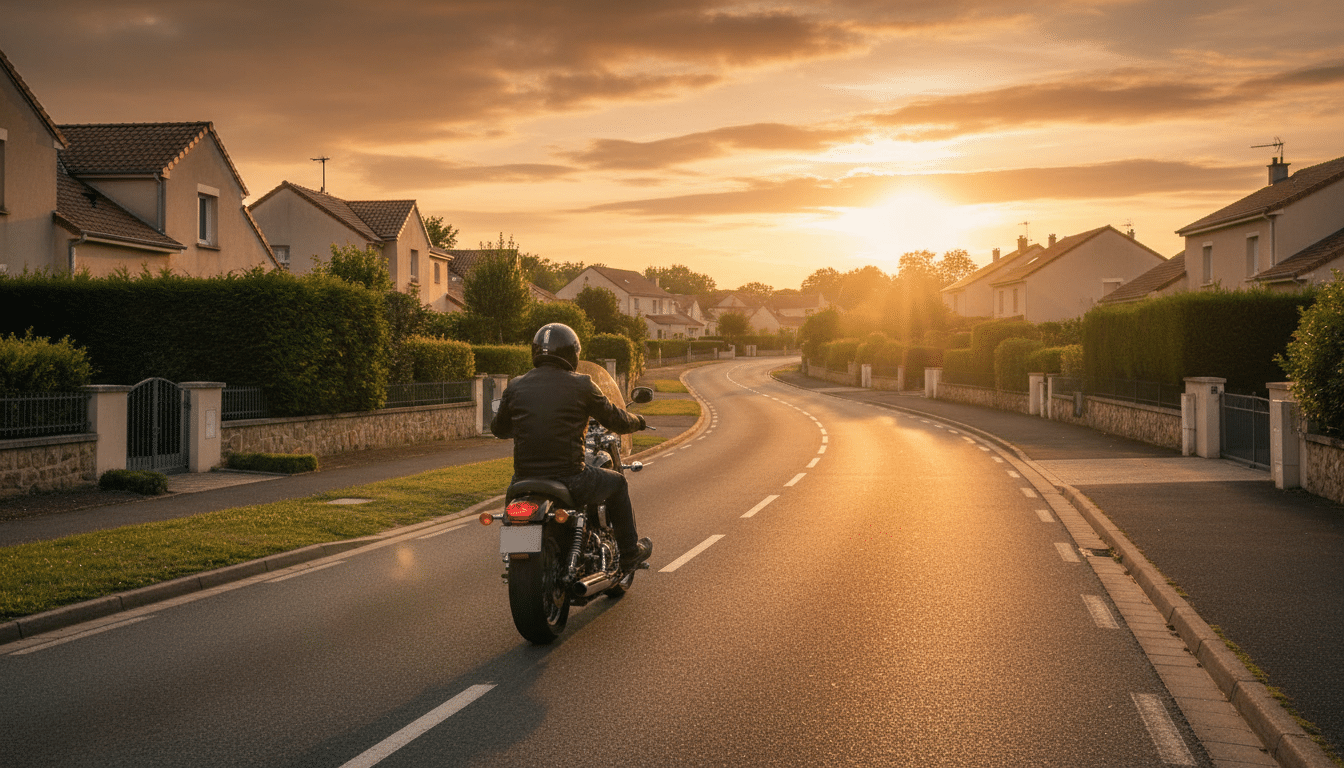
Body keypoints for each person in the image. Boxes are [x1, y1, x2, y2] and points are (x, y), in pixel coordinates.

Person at [490, 323, 653, 569]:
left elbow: (498, 429)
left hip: (524, 478)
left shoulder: (515, 386)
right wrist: (638, 421)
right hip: (570, 477)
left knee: (514, 511)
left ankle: (515, 560)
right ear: (572, 353)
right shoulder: (582, 385)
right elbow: (615, 419)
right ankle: (629, 553)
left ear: (535, 351)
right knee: (618, 483)